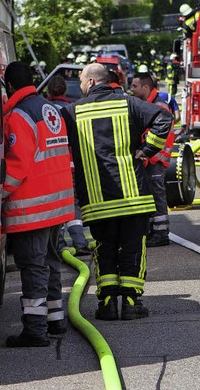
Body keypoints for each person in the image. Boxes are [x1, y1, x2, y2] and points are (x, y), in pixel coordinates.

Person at [62, 63, 172, 320]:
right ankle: (132, 303)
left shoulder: (71, 111)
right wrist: (146, 150)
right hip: (134, 196)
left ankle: (108, 303)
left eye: (81, 81)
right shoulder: (129, 103)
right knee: (134, 247)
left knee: (105, 247)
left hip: (97, 200)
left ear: (90, 82)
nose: (80, 86)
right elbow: (163, 118)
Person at [2, 62, 75, 347]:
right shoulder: (49, 108)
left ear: (9, 87)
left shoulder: (19, 115)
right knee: (50, 262)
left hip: (32, 207)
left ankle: (35, 330)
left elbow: (17, 166)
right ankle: (55, 321)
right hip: (57, 204)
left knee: (33, 267)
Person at [47, 75, 91, 256]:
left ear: (49, 91)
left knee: (57, 204)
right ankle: (80, 243)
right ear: (65, 90)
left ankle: (59, 244)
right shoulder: (73, 109)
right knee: (74, 204)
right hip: (73, 165)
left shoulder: (45, 110)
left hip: (53, 166)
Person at [130, 72, 175, 247]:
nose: (132, 89)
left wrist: (146, 154)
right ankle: (152, 231)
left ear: (145, 87)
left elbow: (161, 136)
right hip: (151, 159)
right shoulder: (150, 104)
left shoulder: (159, 107)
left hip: (156, 160)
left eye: (135, 86)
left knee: (157, 196)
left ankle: (161, 233)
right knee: (150, 196)